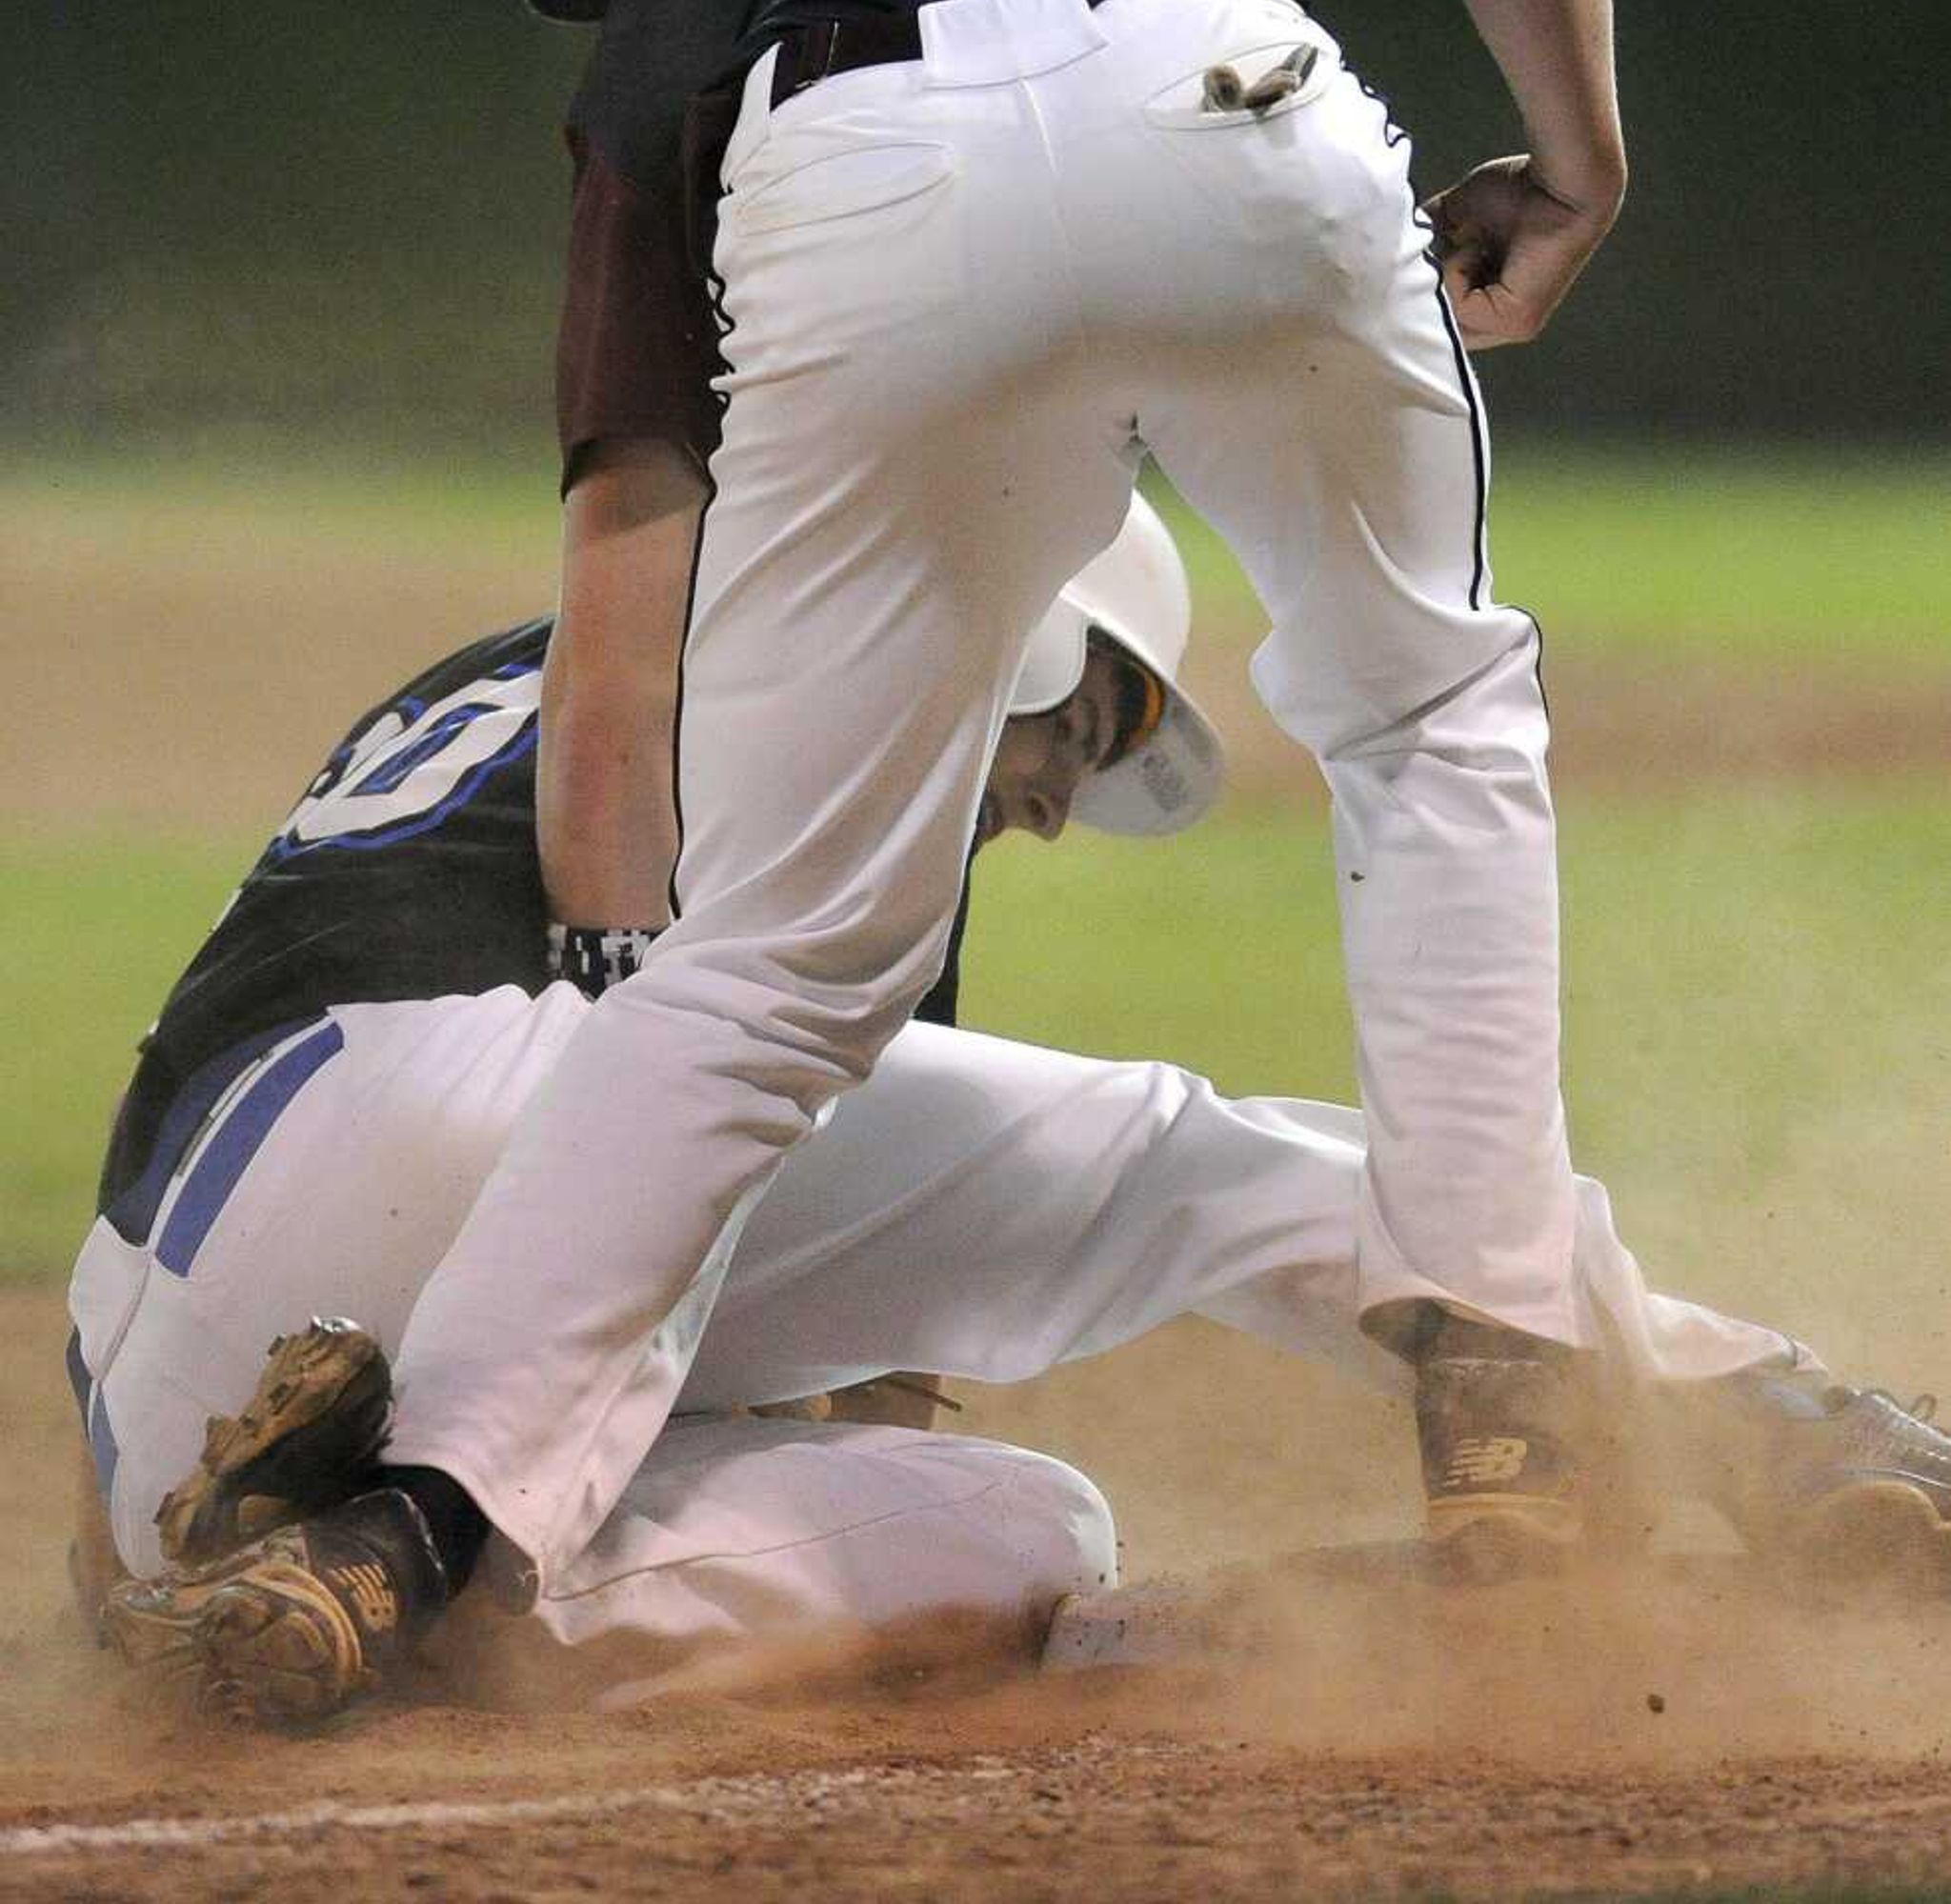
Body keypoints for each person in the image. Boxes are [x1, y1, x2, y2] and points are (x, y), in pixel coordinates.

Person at [356, 0, 1625, 1631]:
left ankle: (411, 1526)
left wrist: (625, 984)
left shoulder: (666, 24)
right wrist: (1575, 168)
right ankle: (1497, 1384)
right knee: (1425, 713)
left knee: (765, 970)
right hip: (1224, 98)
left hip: (852, 180)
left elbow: (620, 619)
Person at [84, 508, 1951, 1723]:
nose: (1062, 802)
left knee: (1015, 1527)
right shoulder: (884, 682)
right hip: (491, 1093)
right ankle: (1759, 1415)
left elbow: (847, 1340)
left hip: (162, 1356)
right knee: (1182, 1164)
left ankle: (319, 1590)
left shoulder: (581, 655)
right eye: (1092, 728)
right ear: (1027, 645)